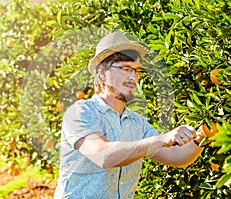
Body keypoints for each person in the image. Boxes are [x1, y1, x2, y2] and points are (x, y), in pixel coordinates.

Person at [54, 32, 205, 199]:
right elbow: (103, 155)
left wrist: (203, 135)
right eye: (125, 69)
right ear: (103, 73)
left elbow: (176, 157)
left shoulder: (137, 123)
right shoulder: (81, 112)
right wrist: (162, 139)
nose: (133, 77)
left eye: (137, 71)